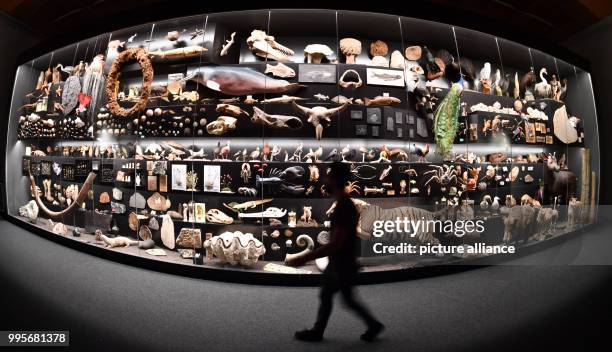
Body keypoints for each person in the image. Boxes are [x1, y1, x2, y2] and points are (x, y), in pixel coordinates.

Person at [286, 162, 384, 342]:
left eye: (329, 176)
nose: (325, 179)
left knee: (341, 298)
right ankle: (371, 325)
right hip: (341, 261)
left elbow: (336, 243)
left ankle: (320, 331)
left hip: (342, 263)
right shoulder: (342, 204)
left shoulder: (344, 207)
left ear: (335, 180)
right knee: (336, 296)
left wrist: (305, 257)